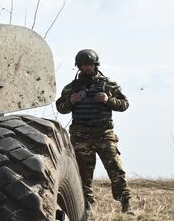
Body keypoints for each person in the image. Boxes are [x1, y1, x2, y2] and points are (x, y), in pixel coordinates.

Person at [55, 49, 130, 211]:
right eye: (84, 65)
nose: (87, 68)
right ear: (79, 67)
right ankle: (87, 206)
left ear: (95, 65)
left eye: (90, 65)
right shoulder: (72, 87)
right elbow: (61, 107)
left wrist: (108, 100)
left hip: (104, 133)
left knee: (115, 168)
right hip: (81, 136)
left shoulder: (108, 84)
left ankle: (126, 202)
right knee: (82, 174)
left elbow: (124, 104)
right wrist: (71, 101)